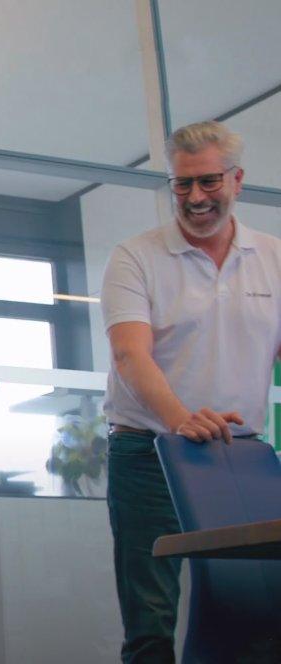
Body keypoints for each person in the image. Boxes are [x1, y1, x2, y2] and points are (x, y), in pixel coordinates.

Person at [101, 120, 281, 663]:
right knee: (150, 622)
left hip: (239, 457)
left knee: (253, 608)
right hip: (148, 452)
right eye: (182, 184)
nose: (196, 197)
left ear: (237, 180)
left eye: (208, 181)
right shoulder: (136, 256)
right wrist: (180, 419)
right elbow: (130, 355)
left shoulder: (274, 258)